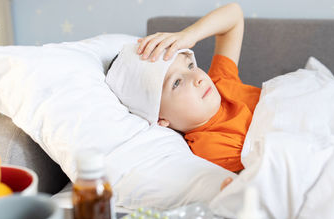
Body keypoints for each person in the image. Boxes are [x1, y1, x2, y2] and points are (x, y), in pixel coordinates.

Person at [107, 3, 259, 190]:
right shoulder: (209, 145)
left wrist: (189, 35)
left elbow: (234, 14)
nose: (197, 78)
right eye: (177, 82)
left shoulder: (220, 80)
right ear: (161, 118)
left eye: (189, 66)